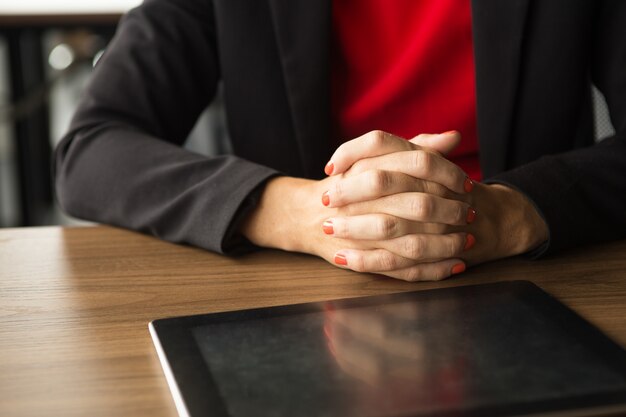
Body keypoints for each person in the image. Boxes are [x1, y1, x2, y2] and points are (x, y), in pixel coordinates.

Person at [53, 0, 626, 281]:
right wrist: (300, 212)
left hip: (534, 280)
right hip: (295, 293)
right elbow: (92, 150)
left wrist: (510, 214)